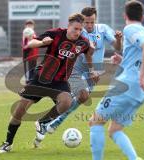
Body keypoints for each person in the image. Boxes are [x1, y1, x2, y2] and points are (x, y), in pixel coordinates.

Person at [0, 13, 95, 153]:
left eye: (80, 29)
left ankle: (43, 122)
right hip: (41, 78)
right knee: (19, 112)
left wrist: (91, 70)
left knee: (66, 102)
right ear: (68, 26)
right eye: (75, 29)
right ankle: (8, 143)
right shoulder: (55, 33)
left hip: (60, 81)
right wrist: (43, 43)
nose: (77, 32)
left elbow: (88, 54)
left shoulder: (83, 43)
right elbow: (31, 43)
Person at [33, 7, 123, 147]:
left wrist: (118, 39)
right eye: (86, 22)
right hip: (75, 69)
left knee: (83, 98)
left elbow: (117, 47)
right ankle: (52, 122)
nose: (89, 25)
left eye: (92, 22)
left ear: (95, 20)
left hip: (93, 71)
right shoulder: (78, 31)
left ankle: (48, 123)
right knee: (82, 94)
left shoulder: (103, 29)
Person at [89, 1, 144, 160]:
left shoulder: (130, 28)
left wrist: (140, 76)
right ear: (143, 17)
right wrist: (123, 61)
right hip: (140, 93)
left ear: (125, 15)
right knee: (115, 130)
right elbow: (141, 55)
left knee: (95, 122)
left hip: (128, 86)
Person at [22, 19, 39, 84]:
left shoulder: (33, 33)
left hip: (34, 53)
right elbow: (25, 45)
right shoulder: (26, 33)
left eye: (31, 25)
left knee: (33, 67)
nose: (29, 26)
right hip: (27, 54)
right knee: (28, 68)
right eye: (28, 25)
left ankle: (31, 80)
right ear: (25, 26)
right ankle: (28, 80)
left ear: (33, 26)